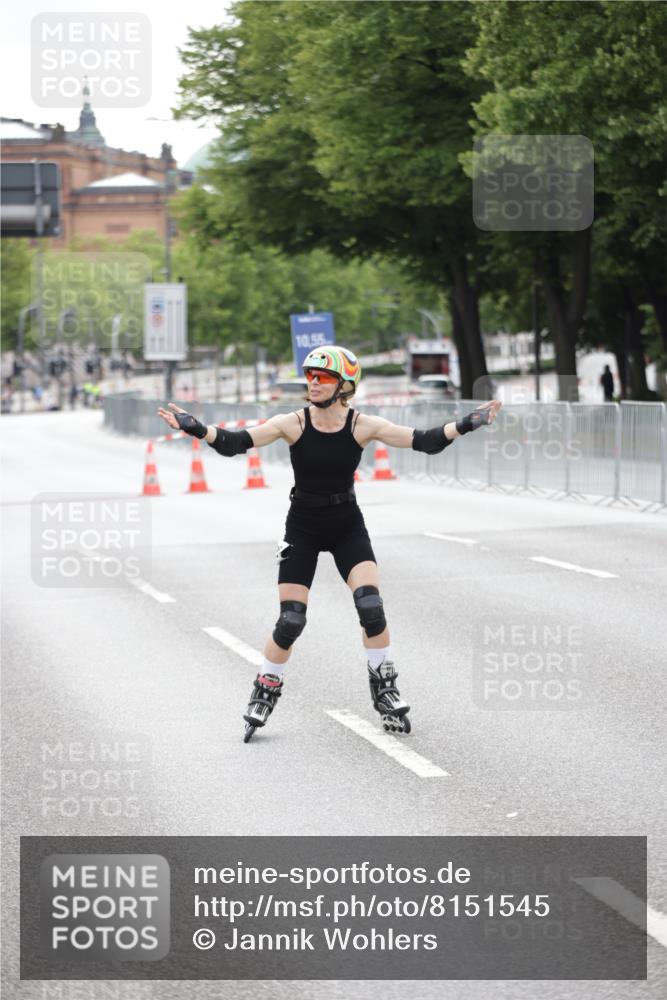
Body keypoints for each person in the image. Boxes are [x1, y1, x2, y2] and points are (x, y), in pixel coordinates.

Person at [157, 345, 501, 742]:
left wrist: (467, 423)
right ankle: (265, 688)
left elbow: (424, 440)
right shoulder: (293, 423)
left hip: (345, 525)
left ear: (344, 385)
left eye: (322, 377)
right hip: (302, 525)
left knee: (371, 607)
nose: (313, 382)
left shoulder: (362, 425)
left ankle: (385, 689)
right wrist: (195, 427)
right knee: (291, 620)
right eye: (310, 376)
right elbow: (236, 442)